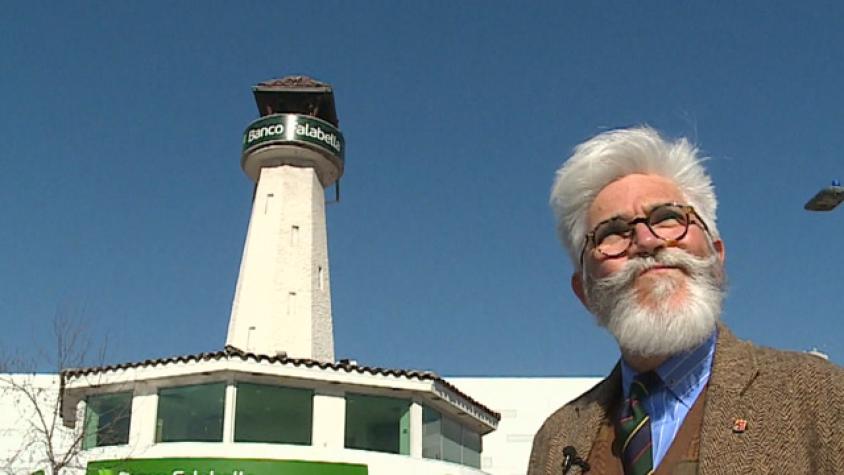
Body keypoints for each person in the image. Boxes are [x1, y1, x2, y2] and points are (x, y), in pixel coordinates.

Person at [528, 126, 844, 475]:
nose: (647, 241)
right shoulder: (556, 439)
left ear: (716, 256)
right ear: (584, 292)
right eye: (612, 233)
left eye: (668, 218)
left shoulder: (821, 399)